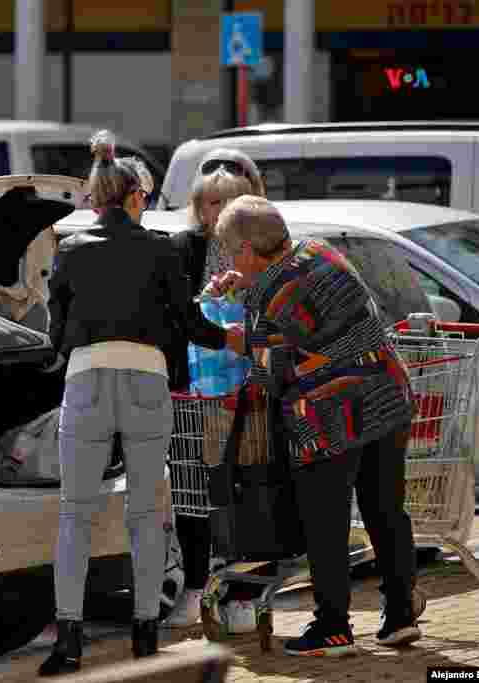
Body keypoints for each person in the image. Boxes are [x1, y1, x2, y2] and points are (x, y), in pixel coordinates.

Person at [37, 131, 228, 676]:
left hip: (87, 380)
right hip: (147, 382)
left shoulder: (69, 252)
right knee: (146, 517)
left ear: (96, 199)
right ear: (136, 197)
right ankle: (146, 638)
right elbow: (189, 324)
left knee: (75, 514)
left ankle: (68, 643)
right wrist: (229, 339)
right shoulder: (163, 250)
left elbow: (55, 334)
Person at [211, 195, 421, 656]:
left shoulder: (269, 294)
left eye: (230, 251)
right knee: (385, 509)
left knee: (325, 522)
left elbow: (270, 372)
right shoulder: (320, 250)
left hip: (331, 413)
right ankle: (400, 614)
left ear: (247, 249)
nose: (228, 260)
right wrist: (247, 289)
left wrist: (228, 335)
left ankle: (333, 628)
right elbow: (310, 317)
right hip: (386, 393)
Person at [163, 149, 266, 631]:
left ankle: (242, 595)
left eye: (224, 203)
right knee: (192, 493)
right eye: (206, 204)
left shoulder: (263, 254)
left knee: (245, 495)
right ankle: (195, 588)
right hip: (194, 395)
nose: (214, 214)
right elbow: (178, 317)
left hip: (248, 397)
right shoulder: (183, 249)